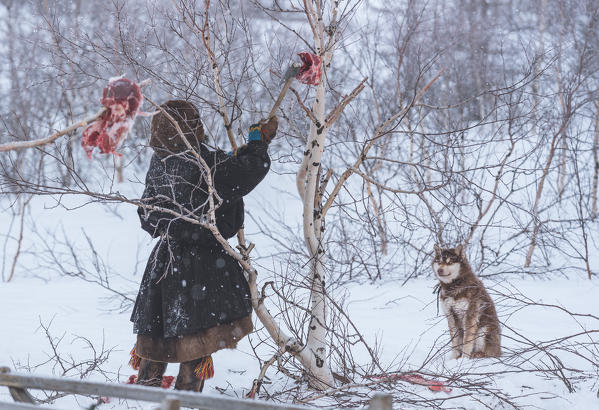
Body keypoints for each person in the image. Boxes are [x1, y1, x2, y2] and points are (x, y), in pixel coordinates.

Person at [130, 99, 278, 392]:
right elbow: (247, 171)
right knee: (196, 331)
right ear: (193, 127)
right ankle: (186, 394)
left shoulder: (160, 163)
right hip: (203, 261)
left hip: (165, 258)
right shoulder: (206, 164)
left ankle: (142, 394)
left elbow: (147, 216)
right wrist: (258, 142)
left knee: (158, 327)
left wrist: (248, 148)